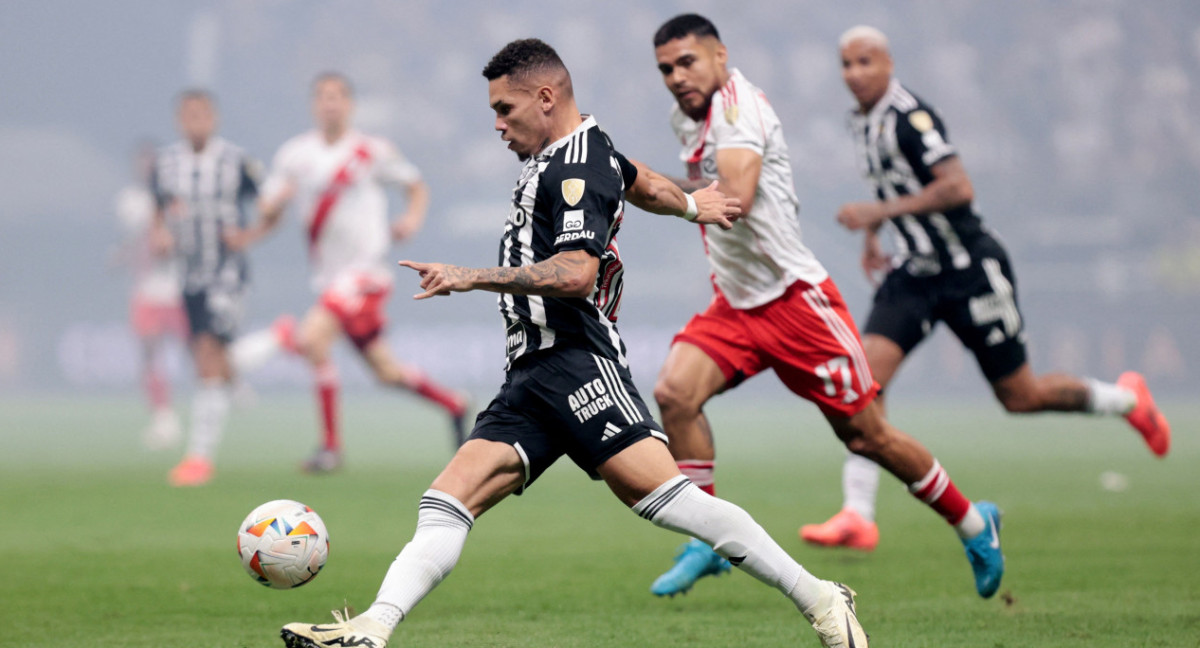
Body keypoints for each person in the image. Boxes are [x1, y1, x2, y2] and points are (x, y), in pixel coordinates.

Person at [278, 39, 867, 648]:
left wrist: (470, 275)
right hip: (531, 375)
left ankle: (822, 598)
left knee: (670, 500)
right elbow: (642, 184)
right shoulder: (589, 149)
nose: (498, 125)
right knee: (445, 501)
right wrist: (692, 204)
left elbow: (578, 272)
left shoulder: (575, 166)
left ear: (545, 96)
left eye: (505, 110)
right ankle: (371, 630)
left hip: (577, 361)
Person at [645, 13, 1005, 600]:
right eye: (665, 68)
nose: (676, 77)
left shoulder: (740, 111)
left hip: (796, 303)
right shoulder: (683, 117)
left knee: (868, 437)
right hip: (736, 304)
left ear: (719, 56)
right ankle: (705, 541)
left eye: (687, 62)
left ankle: (973, 522)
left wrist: (642, 183)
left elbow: (732, 198)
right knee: (674, 394)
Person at [799, 25, 1172, 551]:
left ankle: (1125, 399)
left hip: (970, 268)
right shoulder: (861, 121)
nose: (854, 74)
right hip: (915, 273)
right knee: (864, 388)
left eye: (865, 62)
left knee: (1020, 396)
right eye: (846, 64)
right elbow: (892, 184)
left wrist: (877, 213)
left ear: (888, 63)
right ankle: (858, 515)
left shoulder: (911, 117)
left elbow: (957, 186)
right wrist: (875, 234)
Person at [246, 72, 469, 473]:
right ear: (314, 104)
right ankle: (453, 403)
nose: (331, 103)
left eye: (338, 96)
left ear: (350, 104)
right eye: (323, 96)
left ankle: (330, 449)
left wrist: (412, 219)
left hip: (366, 272)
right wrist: (270, 206)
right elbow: (268, 208)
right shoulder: (295, 155)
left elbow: (415, 184)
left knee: (312, 338)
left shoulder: (371, 150)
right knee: (385, 371)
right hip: (329, 277)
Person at [150, 90, 285, 486]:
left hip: (226, 273)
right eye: (188, 115)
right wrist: (159, 234)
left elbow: (271, 205)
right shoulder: (167, 162)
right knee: (208, 359)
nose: (196, 122)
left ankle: (198, 458)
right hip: (187, 275)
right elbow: (157, 207)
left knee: (209, 355)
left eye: (202, 114)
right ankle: (277, 340)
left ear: (214, 118)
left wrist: (251, 235)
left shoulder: (235, 161)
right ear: (179, 119)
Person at [115, 141, 188, 450]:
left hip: (178, 288)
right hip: (148, 289)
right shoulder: (131, 200)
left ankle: (231, 385)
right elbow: (136, 240)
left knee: (200, 351)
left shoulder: (179, 199)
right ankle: (163, 415)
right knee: (149, 351)